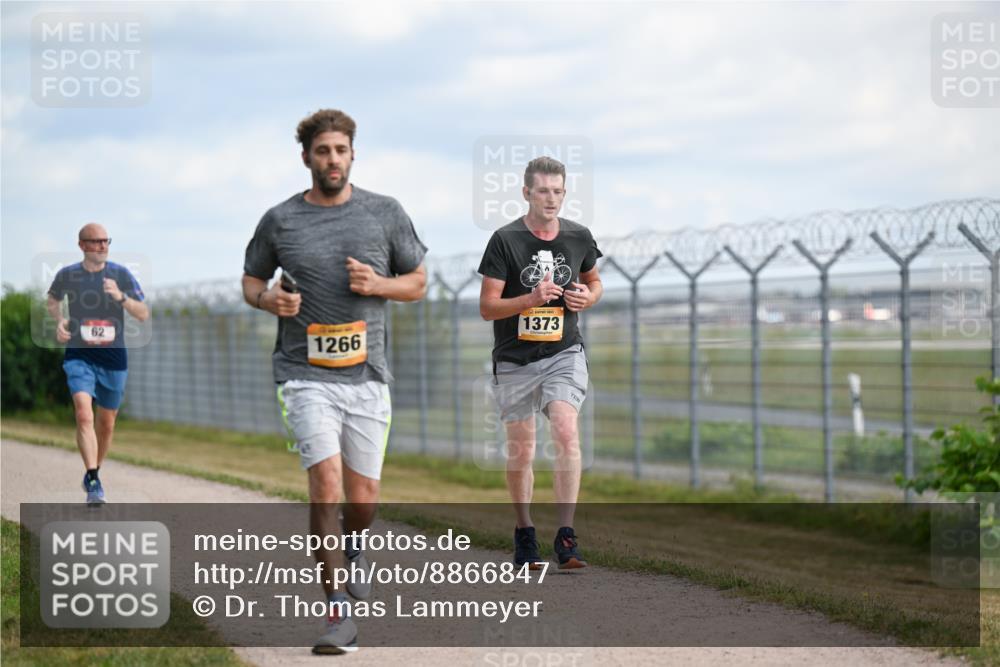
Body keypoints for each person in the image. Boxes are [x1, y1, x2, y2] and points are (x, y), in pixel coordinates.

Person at [241, 109, 427, 654]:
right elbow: (251, 281)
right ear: (306, 158)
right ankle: (338, 613)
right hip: (303, 375)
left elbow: (417, 282)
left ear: (352, 154)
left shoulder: (384, 214)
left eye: (340, 150)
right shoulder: (280, 221)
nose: (332, 160)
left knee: (363, 501)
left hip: (367, 376)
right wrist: (267, 299)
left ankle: (356, 546)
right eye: (322, 151)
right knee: (325, 485)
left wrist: (379, 284)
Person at [477, 156, 603, 571]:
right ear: (526, 192)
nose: (551, 199)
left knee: (566, 430)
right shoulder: (505, 240)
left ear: (565, 194)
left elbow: (594, 281)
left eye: (558, 191)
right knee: (523, 448)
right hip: (514, 358)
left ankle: (566, 535)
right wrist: (529, 299)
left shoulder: (578, 236)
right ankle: (524, 531)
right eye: (543, 191)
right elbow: (488, 308)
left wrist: (589, 297)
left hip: (563, 352)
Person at [46, 223, 149, 506]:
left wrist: (121, 297)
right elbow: (52, 300)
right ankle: (93, 478)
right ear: (82, 245)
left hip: (114, 359)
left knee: (107, 423)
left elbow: (142, 313)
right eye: (96, 242)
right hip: (79, 354)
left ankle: (94, 471)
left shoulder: (121, 274)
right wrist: (60, 321)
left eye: (106, 241)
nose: (103, 246)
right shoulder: (67, 275)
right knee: (83, 414)